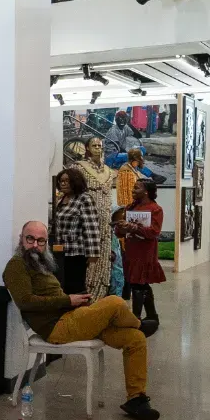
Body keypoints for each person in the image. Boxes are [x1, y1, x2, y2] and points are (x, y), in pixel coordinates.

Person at [4, 221, 160, 420]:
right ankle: (139, 323)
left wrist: (74, 301)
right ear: (21, 240)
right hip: (55, 328)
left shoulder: (40, 263)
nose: (35, 245)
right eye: (30, 239)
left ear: (46, 243)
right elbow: (25, 302)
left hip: (68, 318)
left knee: (135, 339)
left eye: (40, 241)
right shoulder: (16, 265)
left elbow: (53, 299)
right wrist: (67, 300)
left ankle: (136, 399)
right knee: (114, 302)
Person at [68, 140, 117, 301]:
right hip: (86, 222)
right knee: (87, 259)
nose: (98, 148)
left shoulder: (109, 171)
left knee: (103, 258)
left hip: (105, 222)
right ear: (87, 148)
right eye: (94, 146)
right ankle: (84, 295)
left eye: (100, 146)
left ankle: (100, 296)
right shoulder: (79, 168)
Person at [116, 179, 165, 333]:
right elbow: (119, 232)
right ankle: (152, 315)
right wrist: (122, 228)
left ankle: (135, 318)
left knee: (138, 284)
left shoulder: (155, 209)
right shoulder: (130, 207)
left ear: (146, 191)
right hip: (131, 250)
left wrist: (134, 227)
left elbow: (154, 232)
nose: (133, 190)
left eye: (136, 188)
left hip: (145, 252)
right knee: (140, 284)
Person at [51, 168, 102, 294]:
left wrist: (93, 254)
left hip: (76, 252)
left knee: (76, 287)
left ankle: (80, 312)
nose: (63, 183)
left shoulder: (84, 199)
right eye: (61, 181)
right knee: (63, 286)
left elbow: (91, 227)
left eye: (67, 181)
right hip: (61, 252)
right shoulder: (61, 200)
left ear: (76, 181)